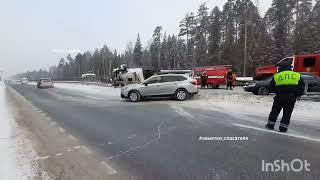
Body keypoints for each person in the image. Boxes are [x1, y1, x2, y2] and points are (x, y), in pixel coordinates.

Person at [265, 63, 305, 132]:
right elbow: (302, 86)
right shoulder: (296, 75)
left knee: (275, 111)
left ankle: (270, 125)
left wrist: (276, 91)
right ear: (289, 68)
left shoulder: (277, 76)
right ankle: (283, 128)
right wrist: (297, 94)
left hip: (279, 96)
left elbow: (271, 88)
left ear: (280, 68)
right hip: (291, 97)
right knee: (287, 113)